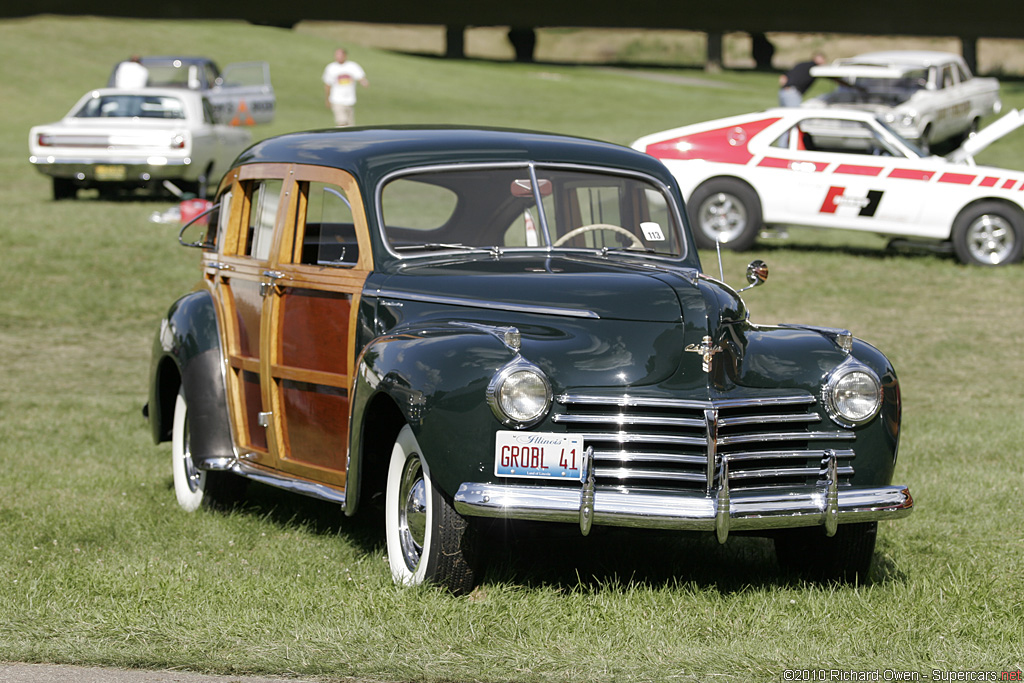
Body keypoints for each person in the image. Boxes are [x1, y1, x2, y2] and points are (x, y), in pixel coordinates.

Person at [322, 48, 369, 127]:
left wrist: (364, 82)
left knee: (350, 126)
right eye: (337, 55)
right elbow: (327, 85)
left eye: (340, 55)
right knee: (342, 124)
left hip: (350, 100)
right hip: (337, 100)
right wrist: (327, 99)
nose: (339, 57)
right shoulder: (331, 68)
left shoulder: (352, 66)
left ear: (345, 56)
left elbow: (360, 77)